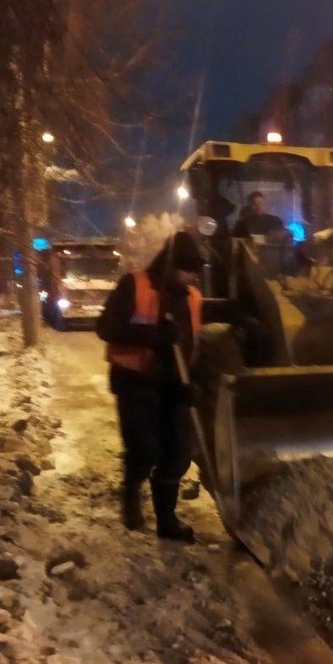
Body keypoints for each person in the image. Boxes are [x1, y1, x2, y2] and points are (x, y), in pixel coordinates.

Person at [96, 231, 204, 541]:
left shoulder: (192, 297)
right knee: (144, 451)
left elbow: (194, 344)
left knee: (179, 455)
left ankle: (166, 520)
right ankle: (131, 494)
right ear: (169, 263)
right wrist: (154, 336)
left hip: (173, 385)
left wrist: (192, 383)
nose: (191, 276)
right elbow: (105, 327)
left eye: (195, 271)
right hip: (135, 382)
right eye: (187, 269)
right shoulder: (136, 284)